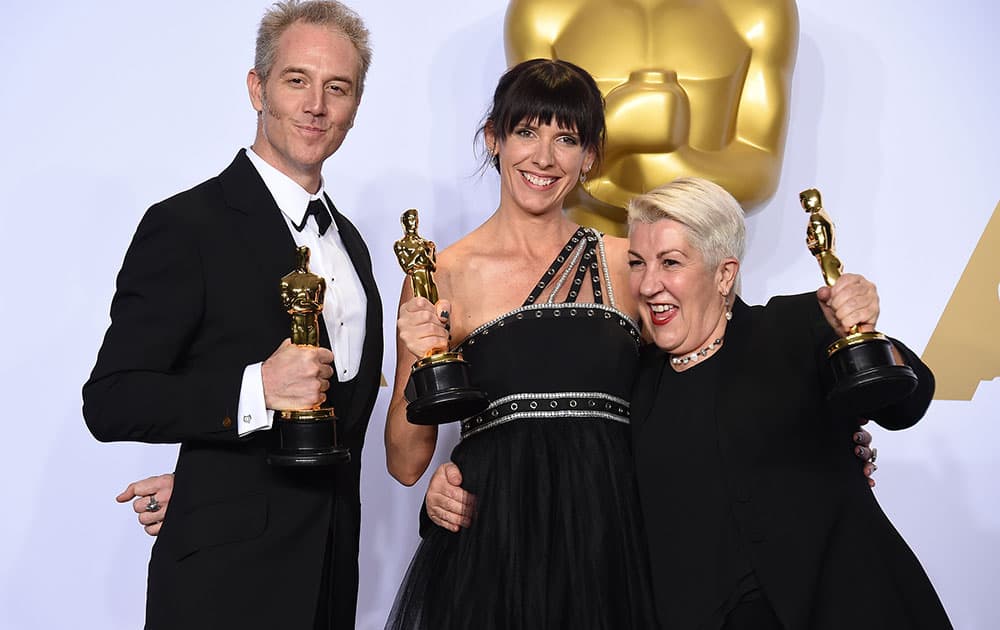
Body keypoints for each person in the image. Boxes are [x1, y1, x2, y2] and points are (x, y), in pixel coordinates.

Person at [82, 2, 382, 628]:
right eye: (296, 79)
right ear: (257, 88)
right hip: (223, 590)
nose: (315, 105)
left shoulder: (350, 243)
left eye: (338, 87)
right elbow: (110, 400)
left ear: (355, 106)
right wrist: (258, 389)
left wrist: (201, 481)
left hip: (331, 582)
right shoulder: (186, 226)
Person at [383, 58, 659, 628]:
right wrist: (415, 375)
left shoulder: (625, 262)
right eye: (526, 132)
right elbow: (406, 462)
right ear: (494, 139)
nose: (543, 157)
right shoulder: (441, 274)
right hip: (495, 547)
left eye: (566, 139)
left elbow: (695, 383)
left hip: (612, 542)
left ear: (589, 157)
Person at [626, 177, 951, 628]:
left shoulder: (792, 328)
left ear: (724, 273)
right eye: (637, 263)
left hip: (850, 608)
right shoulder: (634, 381)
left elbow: (906, 405)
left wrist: (861, 335)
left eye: (670, 262)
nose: (648, 284)